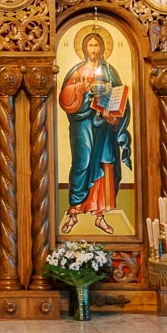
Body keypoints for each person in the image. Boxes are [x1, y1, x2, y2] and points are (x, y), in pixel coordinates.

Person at [59, 32, 131, 235]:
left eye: (96, 45)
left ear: (102, 48)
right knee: (82, 163)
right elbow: (65, 99)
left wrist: (112, 117)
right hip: (83, 125)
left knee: (105, 165)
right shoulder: (77, 71)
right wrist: (80, 88)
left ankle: (100, 216)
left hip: (104, 127)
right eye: (90, 45)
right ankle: (74, 213)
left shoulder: (109, 72)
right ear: (84, 48)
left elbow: (121, 101)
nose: (93, 49)